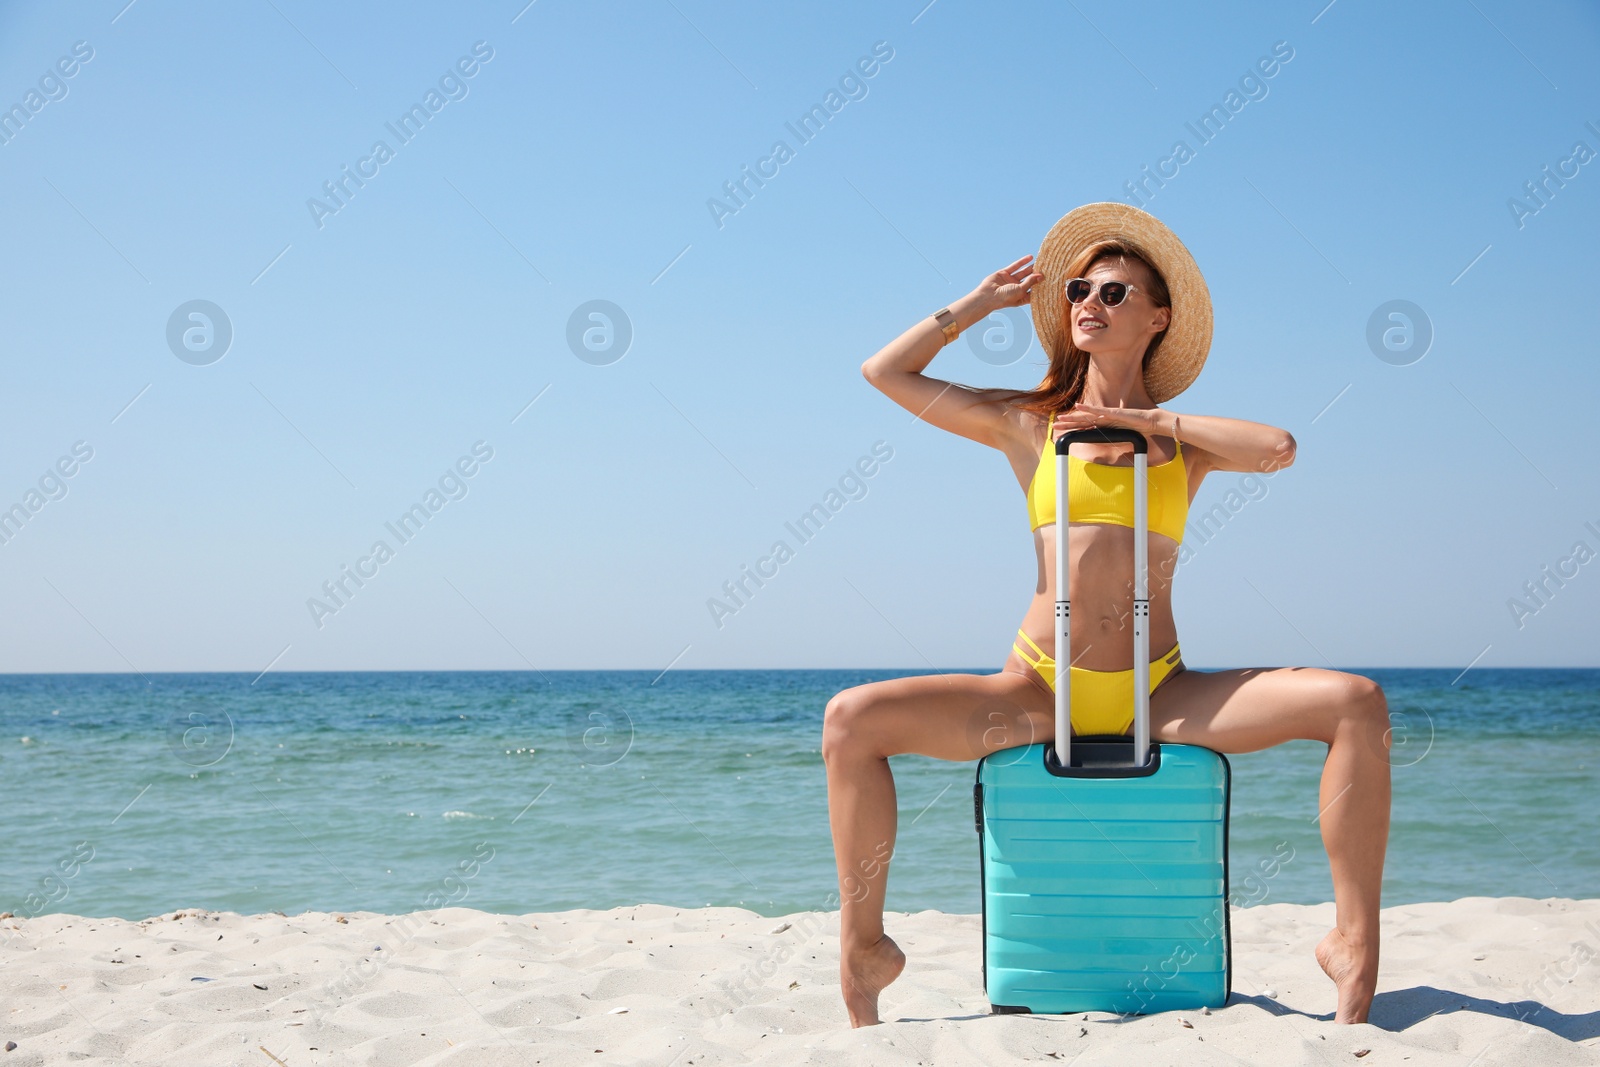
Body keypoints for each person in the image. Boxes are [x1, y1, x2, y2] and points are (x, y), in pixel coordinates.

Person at [825, 202, 1392, 1028]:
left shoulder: (1183, 443)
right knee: (851, 720)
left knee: (1357, 702)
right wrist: (977, 306)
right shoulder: (1028, 424)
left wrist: (1148, 421)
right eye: (1080, 289)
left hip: (1158, 691)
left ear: (1158, 319)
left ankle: (1351, 938)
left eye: (1115, 292)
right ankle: (865, 943)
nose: (1089, 302)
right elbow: (886, 373)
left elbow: (1278, 447)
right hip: (1036, 685)